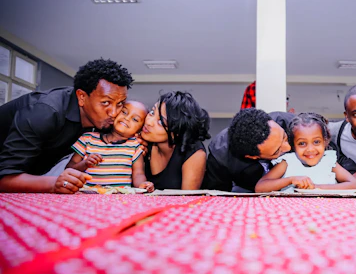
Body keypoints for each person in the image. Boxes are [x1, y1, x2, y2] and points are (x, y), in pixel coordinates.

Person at [0, 58, 133, 193]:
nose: (114, 113)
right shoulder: (45, 111)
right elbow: (4, 177)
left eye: (120, 103)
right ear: (81, 97)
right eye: (106, 102)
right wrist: (54, 183)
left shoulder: (101, 119)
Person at [255, 113, 356, 192]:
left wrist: (316, 187)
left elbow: (354, 184)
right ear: (293, 145)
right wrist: (290, 180)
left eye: (316, 142)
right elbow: (260, 187)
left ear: (325, 141)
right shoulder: (288, 162)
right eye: (302, 143)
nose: (310, 149)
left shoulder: (328, 161)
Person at [66, 101, 154, 192]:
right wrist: (84, 164)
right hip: (86, 195)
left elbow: (138, 174)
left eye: (135, 119)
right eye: (124, 112)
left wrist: (143, 185)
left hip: (118, 197)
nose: (127, 118)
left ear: (140, 130)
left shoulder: (135, 146)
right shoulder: (88, 139)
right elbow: (69, 170)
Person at [202, 108, 294, 192]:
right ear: (252, 157)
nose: (288, 147)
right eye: (277, 151)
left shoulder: (294, 124)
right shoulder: (221, 156)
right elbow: (218, 196)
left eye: (284, 137)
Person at [140, 91, 210, 190]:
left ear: (176, 132)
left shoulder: (194, 153)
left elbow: (187, 200)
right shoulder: (142, 140)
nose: (148, 122)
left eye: (160, 122)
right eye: (152, 113)